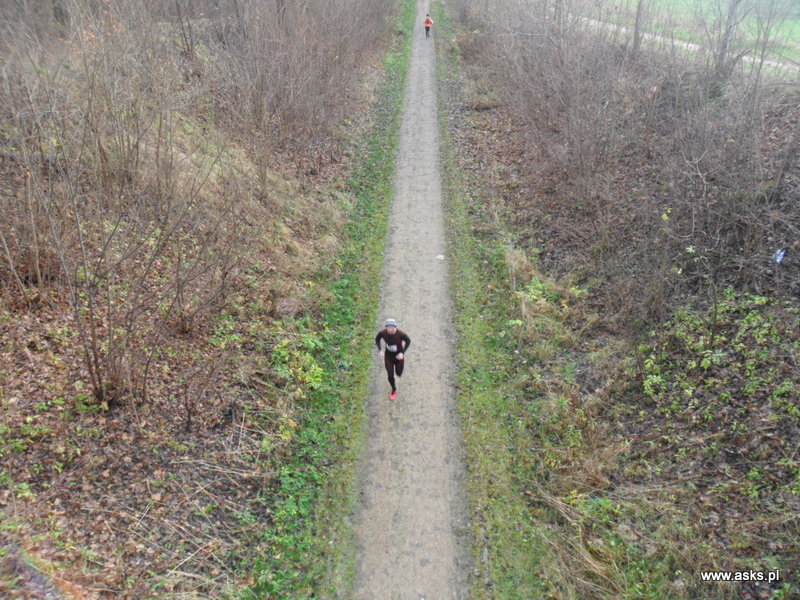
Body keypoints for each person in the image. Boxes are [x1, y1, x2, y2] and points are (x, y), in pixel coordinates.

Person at [375, 318, 411, 400]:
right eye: (388, 327)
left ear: (395, 327)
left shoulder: (401, 334)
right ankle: (393, 389)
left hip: (398, 356)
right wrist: (380, 350)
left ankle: (398, 372)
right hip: (388, 356)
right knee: (390, 375)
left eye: (392, 327)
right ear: (386, 327)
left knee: (398, 373)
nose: (390, 329)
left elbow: (408, 341)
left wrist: (402, 353)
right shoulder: (383, 333)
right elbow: (377, 339)